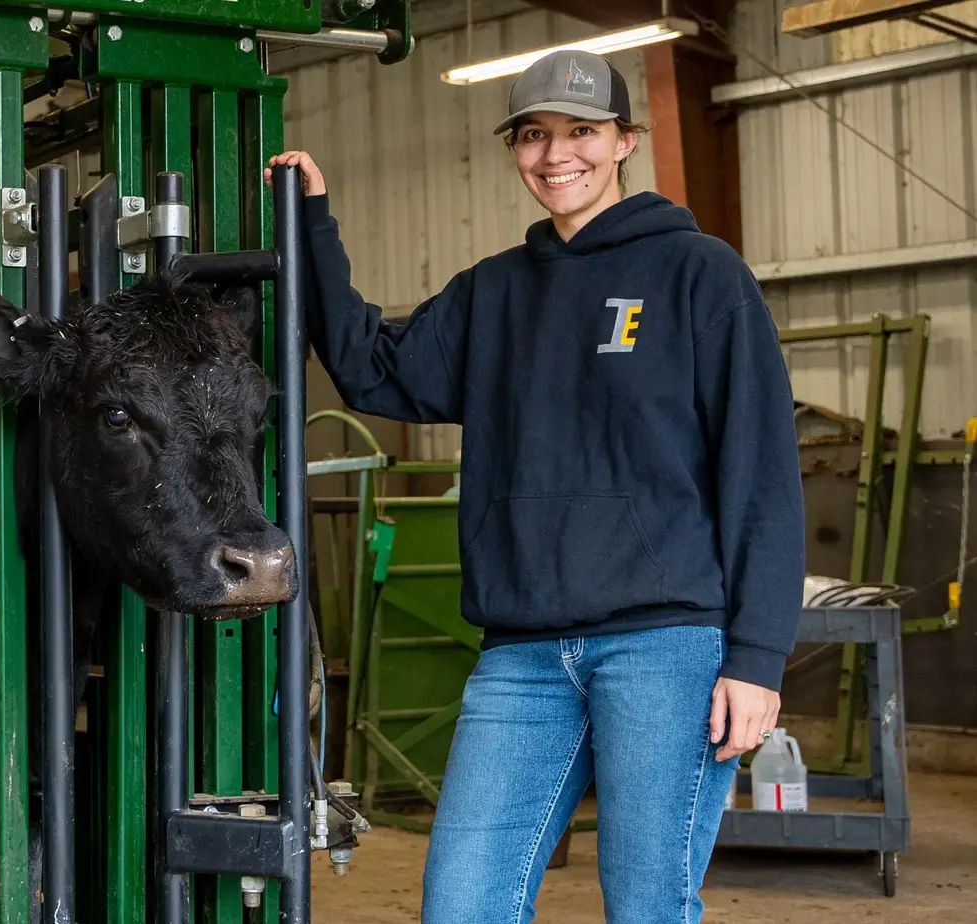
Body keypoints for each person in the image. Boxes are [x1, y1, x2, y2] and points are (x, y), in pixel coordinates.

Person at [266, 49, 804, 923]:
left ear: (625, 142)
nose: (558, 155)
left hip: (665, 650)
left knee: (646, 907)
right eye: (534, 134)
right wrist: (314, 225)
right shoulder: (493, 293)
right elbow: (375, 373)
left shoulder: (700, 276)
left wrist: (757, 661)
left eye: (582, 132)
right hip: (521, 656)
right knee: (463, 903)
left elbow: (763, 479)